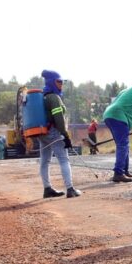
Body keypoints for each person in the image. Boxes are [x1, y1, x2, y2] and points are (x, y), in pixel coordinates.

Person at [36, 70, 81, 198]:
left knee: (45, 161)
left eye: (62, 82)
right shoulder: (54, 98)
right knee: (64, 159)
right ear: (52, 82)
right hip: (54, 133)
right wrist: (65, 135)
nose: (61, 84)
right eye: (59, 81)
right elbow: (59, 118)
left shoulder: (42, 97)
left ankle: (47, 189)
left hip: (42, 133)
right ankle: (70, 189)